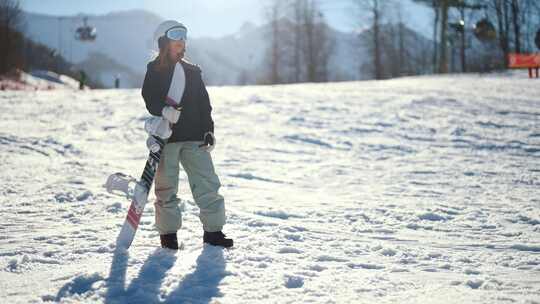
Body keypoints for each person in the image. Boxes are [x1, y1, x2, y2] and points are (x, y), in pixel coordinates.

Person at [141, 21, 233, 249]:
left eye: (184, 36)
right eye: (176, 36)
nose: (181, 40)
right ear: (163, 41)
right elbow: (149, 97)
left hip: (194, 136)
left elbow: (204, 104)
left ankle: (214, 232)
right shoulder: (154, 69)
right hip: (168, 138)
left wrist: (208, 130)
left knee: (207, 184)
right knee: (166, 188)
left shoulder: (192, 71)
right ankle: (168, 235)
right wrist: (163, 110)